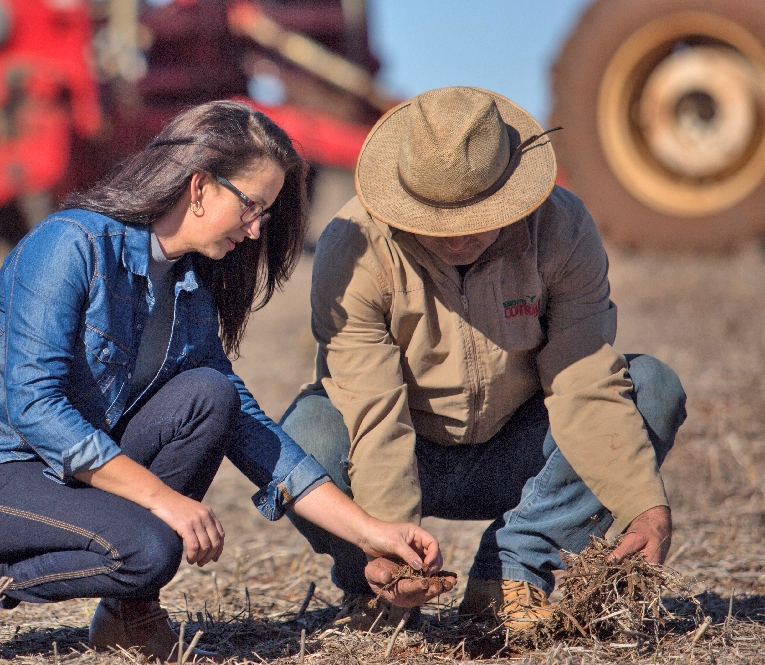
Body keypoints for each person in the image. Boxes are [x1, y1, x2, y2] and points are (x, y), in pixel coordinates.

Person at [0, 101, 449, 662]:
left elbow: (251, 433)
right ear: (200, 187)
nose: (255, 232)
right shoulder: (71, 244)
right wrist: (164, 502)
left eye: (266, 216)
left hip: (51, 474)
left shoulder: (186, 289)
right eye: (251, 206)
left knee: (211, 395)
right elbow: (36, 407)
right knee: (149, 548)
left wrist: (370, 532)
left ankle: (123, 617)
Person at [280, 87, 687, 631]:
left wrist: (643, 504)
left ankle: (512, 571)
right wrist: (392, 545)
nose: (456, 237)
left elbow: (585, 379)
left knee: (652, 388)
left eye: (477, 216)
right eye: (436, 219)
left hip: (521, 455)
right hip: (403, 451)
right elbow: (372, 414)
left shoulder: (561, 228)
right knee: (308, 436)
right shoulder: (353, 247)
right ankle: (376, 591)